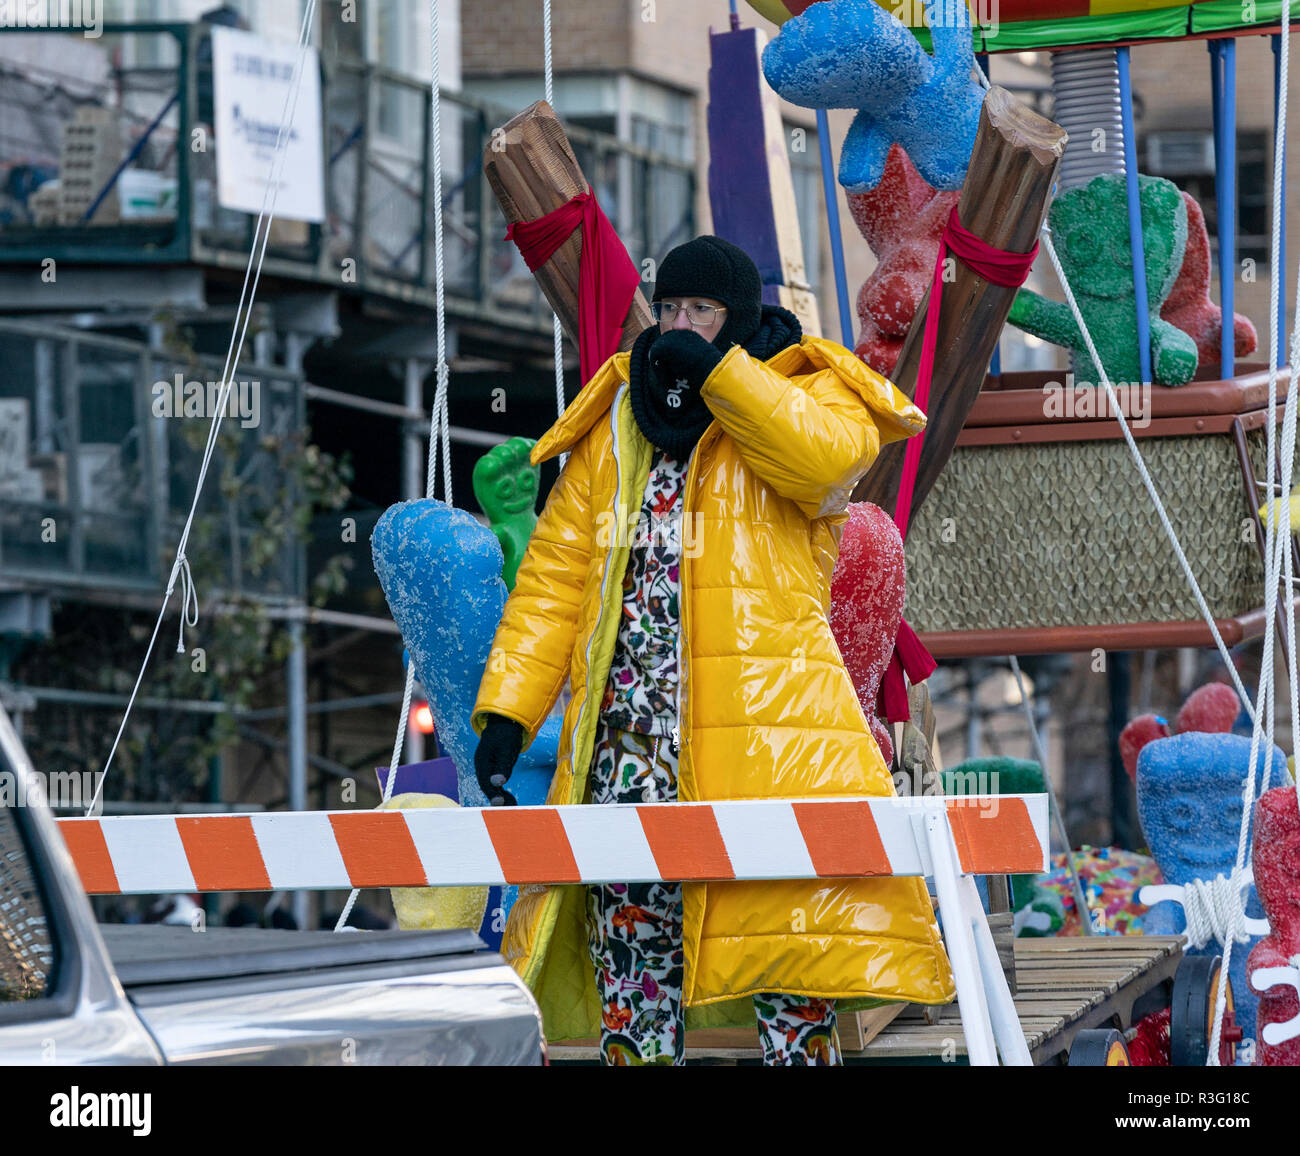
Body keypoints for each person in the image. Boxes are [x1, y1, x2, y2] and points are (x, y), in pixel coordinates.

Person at [472, 234, 954, 1065]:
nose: (677, 326)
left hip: (769, 746)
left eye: (700, 311)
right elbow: (556, 575)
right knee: (631, 964)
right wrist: (509, 711)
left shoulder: (810, 388)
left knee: (789, 957)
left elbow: (824, 461)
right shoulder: (622, 412)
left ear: (741, 318)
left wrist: (720, 376)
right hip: (628, 749)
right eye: (666, 309)